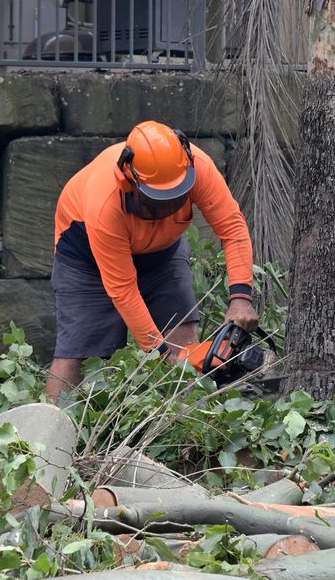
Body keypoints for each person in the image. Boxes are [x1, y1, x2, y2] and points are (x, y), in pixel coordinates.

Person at [44, 120, 259, 403]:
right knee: (79, 354)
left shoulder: (197, 166)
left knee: (182, 337)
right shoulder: (105, 203)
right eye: (159, 199)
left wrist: (241, 297)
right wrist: (158, 351)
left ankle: (185, 431)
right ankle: (49, 432)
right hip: (88, 260)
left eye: (177, 196)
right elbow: (123, 289)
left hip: (162, 253)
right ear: (130, 180)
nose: (169, 206)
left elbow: (231, 227)